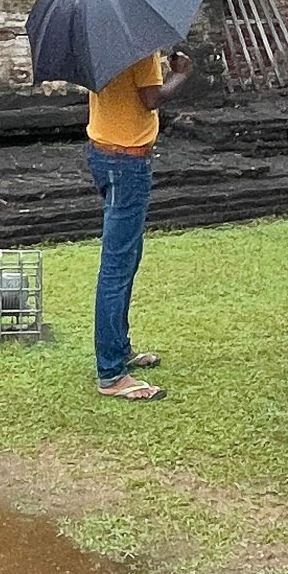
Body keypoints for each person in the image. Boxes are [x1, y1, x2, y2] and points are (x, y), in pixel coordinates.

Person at [86, 45, 193, 399]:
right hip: (127, 162)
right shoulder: (140, 50)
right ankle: (111, 372)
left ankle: (119, 346)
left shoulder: (97, 47)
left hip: (103, 152)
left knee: (127, 258)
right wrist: (180, 73)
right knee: (117, 265)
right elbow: (150, 98)